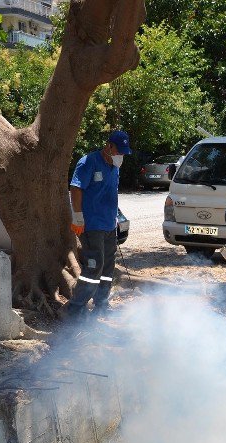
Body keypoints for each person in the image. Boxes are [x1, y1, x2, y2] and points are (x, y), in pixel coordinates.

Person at [61, 130, 131, 319]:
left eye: (124, 153)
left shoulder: (115, 167)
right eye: (119, 151)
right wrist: (77, 217)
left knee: (108, 267)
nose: (121, 156)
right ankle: (75, 308)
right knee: (94, 266)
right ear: (109, 146)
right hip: (90, 225)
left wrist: (115, 217)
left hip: (109, 225)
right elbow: (75, 188)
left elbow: (111, 194)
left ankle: (101, 304)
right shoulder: (88, 162)